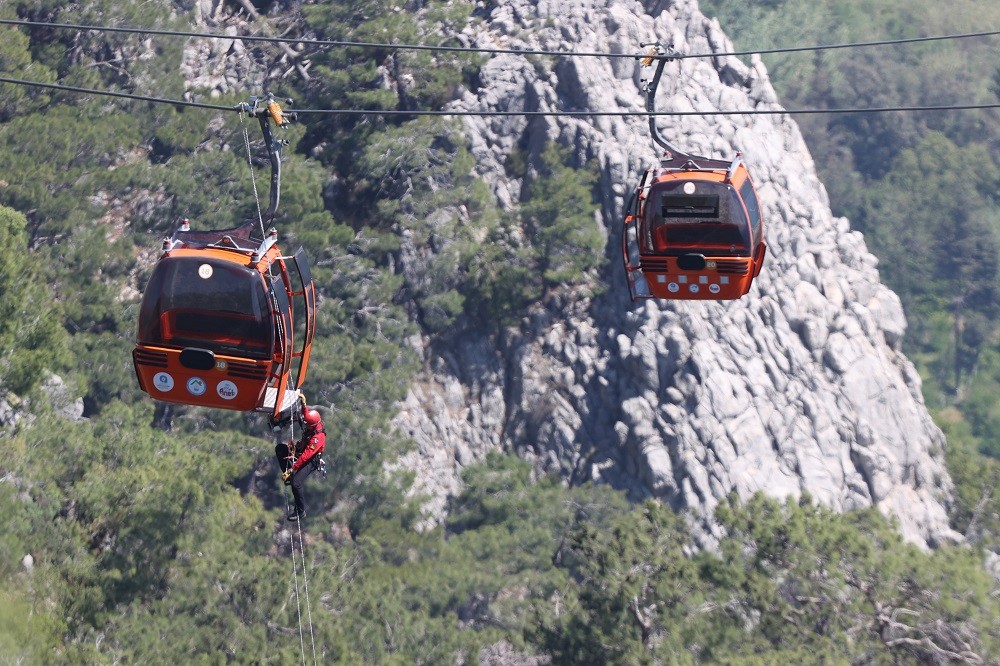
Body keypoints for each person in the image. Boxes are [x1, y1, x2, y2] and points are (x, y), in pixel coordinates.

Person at [275, 402, 326, 522]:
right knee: (280, 449)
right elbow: (306, 415)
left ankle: (300, 511)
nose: (306, 427)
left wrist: (292, 470)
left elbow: (306, 456)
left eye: (308, 426)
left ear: (313, 426)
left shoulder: (318, 438)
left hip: (311, 461)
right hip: (301, 452)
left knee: (296, 483)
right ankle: (288, 476)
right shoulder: (312, 424)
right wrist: (303, 405)